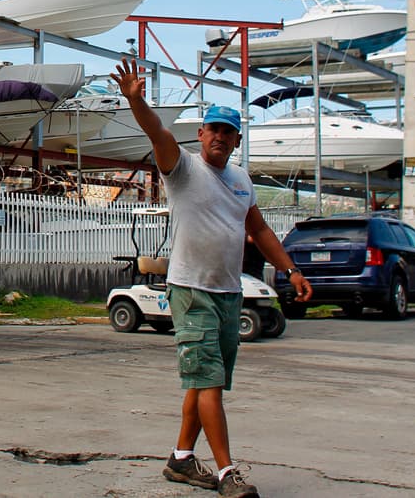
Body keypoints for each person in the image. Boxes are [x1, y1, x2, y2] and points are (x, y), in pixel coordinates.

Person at [111, 58, 312, 498]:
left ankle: (181, 459)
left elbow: (258, 230)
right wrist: (136, 100)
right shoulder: (182, 168)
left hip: (228, 293)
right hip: (192, 290)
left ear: (237, 139)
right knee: (208, 383)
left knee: (205, 382)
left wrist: (290, 269)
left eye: (228, 131)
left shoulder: (241, 180)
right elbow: (156, 134)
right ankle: (226, 473)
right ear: (201, 134)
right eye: (213, 129)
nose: (220, 137)